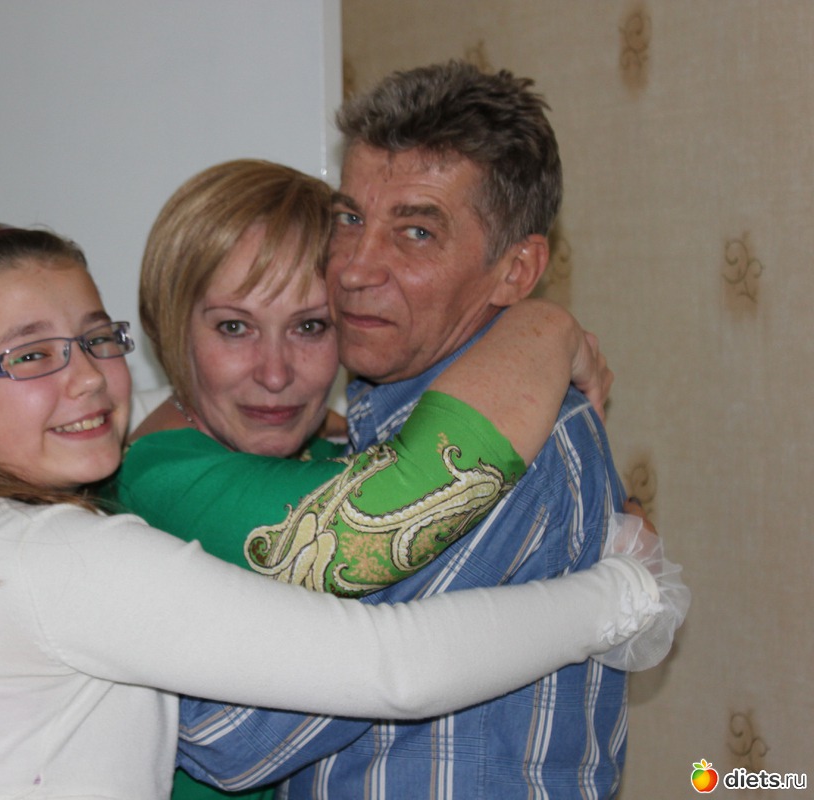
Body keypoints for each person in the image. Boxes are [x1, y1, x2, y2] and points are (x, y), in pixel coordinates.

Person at [0, 222, 667, 800]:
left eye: (96, 339)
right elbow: (395, 668)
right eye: (29, 356)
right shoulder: (46, 558)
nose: (87, 379)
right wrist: (626, 591)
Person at [171, 62, 681, 798]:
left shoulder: (507, 449)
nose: (354, 270)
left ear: (516, 271)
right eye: (349, 219)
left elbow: (234, 737)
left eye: (416, 231)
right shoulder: (379, 412)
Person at [114, 159, 617, 800]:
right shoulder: (162, 477)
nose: (275, 374)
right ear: (168, 325)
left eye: (310, 327)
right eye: (233, 327)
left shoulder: (320, 442)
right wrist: (545, 327)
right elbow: (381, 519)